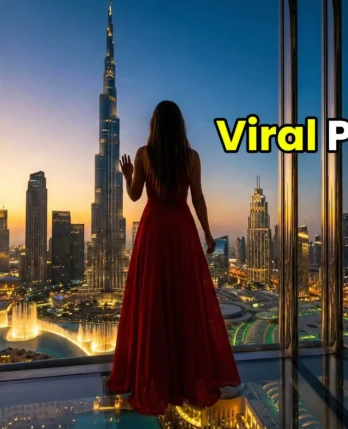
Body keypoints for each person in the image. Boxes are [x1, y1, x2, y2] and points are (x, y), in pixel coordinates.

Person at [106, 100, 242, 415]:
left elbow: (135, 195)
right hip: (182, 231)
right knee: (185, 300)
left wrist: (128, 175)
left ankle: (154, 375)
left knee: (152, 299)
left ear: (154, 125)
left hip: (153, 230)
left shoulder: (144, 154)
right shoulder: (190, 157)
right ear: (180, 125)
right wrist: (208, 234)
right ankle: (185, 375)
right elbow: (198, 198)